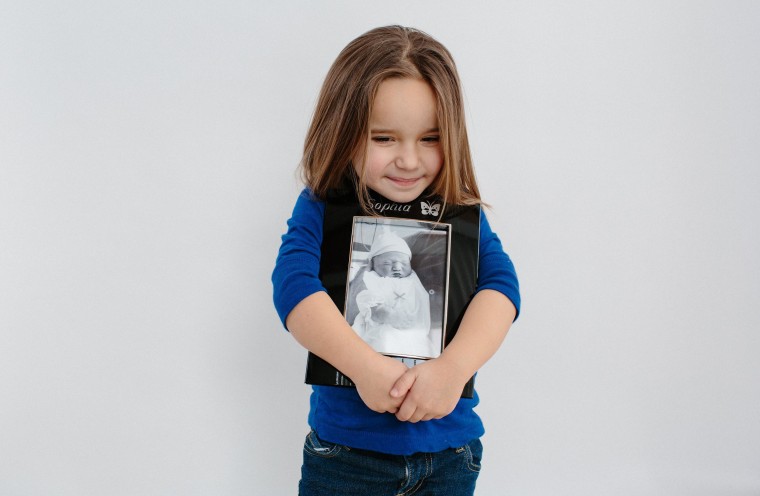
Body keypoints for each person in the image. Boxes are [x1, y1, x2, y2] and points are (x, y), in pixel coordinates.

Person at [272, 25, 520, 496]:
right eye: (384, 138)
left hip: (451, 453)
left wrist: (452, 371)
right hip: (347, 457)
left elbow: (501, 288)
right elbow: (294, 286)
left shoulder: (458, 211)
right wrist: (365, 368)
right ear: (343, 133)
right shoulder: (322, 207)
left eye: (430, 138)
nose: (409, 160)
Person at [349, 230, 435, 358]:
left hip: (410, 329)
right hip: (381, 327)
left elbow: (422, 300)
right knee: (384, 340)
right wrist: (384, 313)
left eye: (405, 263)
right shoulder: (372, 278)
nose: (397, 267)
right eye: (387, 263)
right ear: (373, 265)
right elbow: (364, 298)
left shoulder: (412, 279)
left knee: (419, 347)